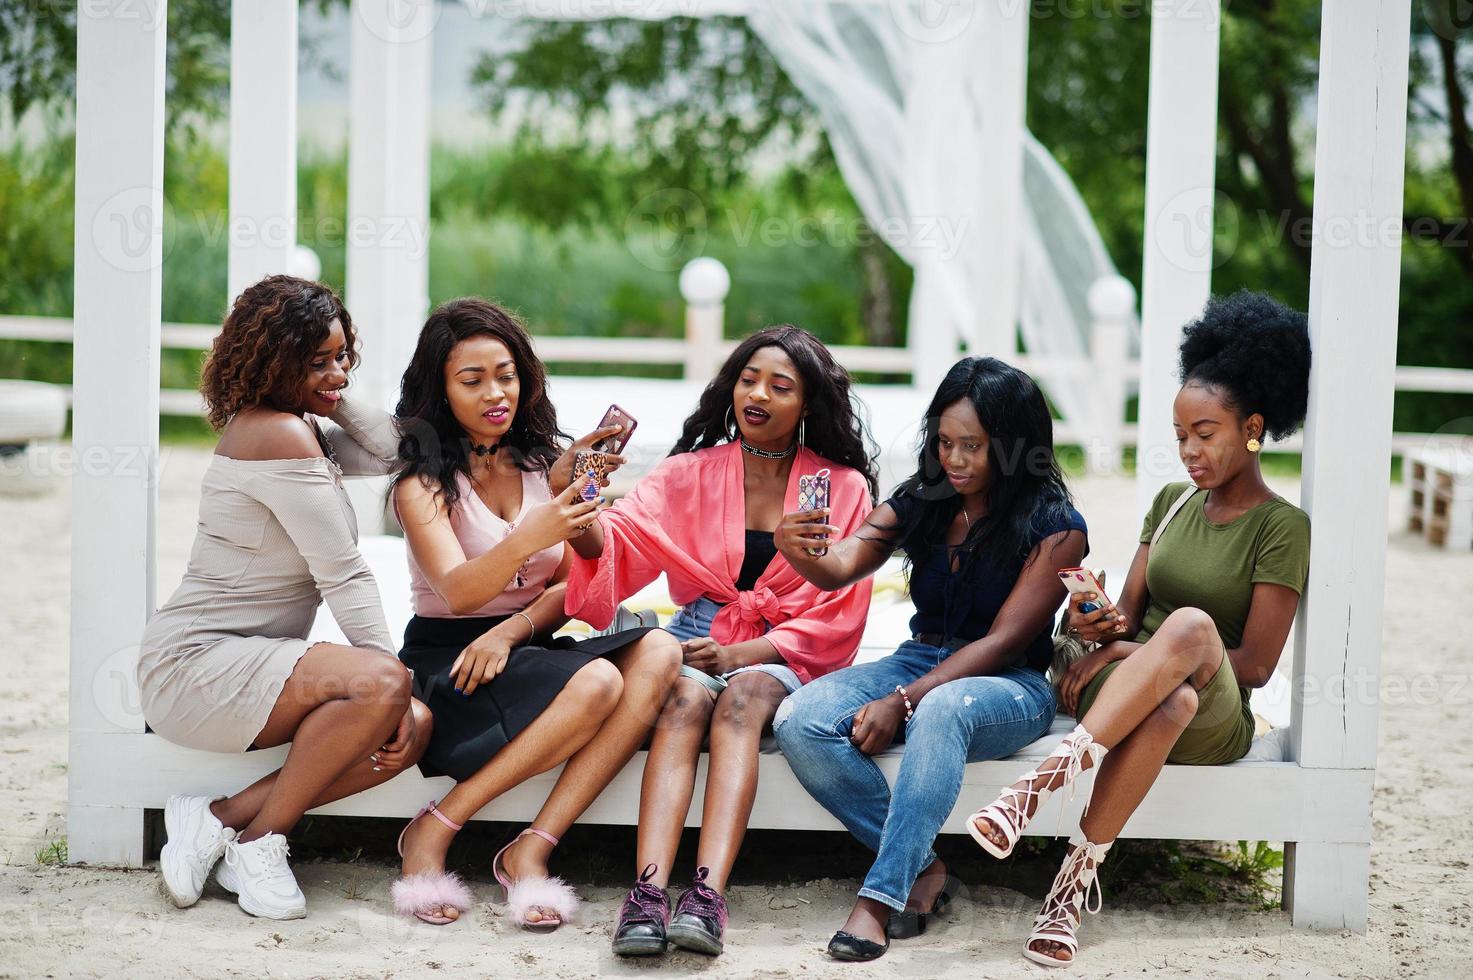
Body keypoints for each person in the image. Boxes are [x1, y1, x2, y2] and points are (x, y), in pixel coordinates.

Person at [966, 291, 1312, 968]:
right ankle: (1066, 894)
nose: (1187, 450)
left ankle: (1039, 788)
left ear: (1251, 427)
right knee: (1169, 697)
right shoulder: (1170, 501)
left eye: (1203, 433)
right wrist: (1095, 623)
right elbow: (1118, 618)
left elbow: (1254, 667)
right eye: (1179, 434)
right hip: (1130, 691)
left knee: (1187, 638)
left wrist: (1127, 647)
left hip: (1215, 709)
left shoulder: (1281, 527)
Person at [564, 325, 879, 957]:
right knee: (682, 703)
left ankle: (707, 896)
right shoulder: (688, 473)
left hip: (785, 645)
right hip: (698, 629)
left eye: (780, 386)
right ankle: (647, 894)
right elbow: (618, 548)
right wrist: (578, 499)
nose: (757, 394)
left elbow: (839, 613)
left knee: (740, 704)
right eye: (747, 379)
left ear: (809, 404)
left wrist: (741, 655)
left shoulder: (843, 487)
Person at [772, 356, 1087, 961]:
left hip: (1008, 682)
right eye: (944, 442)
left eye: (973, 446)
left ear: (1014, 446)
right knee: (799, 720)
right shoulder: (925, 497)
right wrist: (801, 551)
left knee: (941, 708)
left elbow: (1000, 642)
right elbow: (840, 565)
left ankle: (879, 898)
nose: (955, 460)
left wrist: (902, 701)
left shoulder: (1056, 526)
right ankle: (923, 866)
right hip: (919, 660)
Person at [139, 275, 430, 921]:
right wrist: (396, 682)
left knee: (417, 726)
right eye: (316, 360)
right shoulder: (276, 435)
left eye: (343, 356)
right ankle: (261, 841)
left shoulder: (299, 425)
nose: (339, 374)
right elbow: (344, 573)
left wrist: (328, 395)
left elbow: (400, 451)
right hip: (195, 665)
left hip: (250, 662)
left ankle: (227, 822)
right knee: (385, 691)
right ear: (274, 360)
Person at [389, 298, 681, 928]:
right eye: (473, 381)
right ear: (439, 391)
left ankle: (532, 848)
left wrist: (573, 503)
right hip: (451, 659)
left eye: (507, 374)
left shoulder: (542, 464)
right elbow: (460, 592)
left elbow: (582, 576)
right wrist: (531, 532)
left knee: (661, 648)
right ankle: (435, 829)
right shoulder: (420, 484)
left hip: (525, 645)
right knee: (600, 678)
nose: (497, 393)